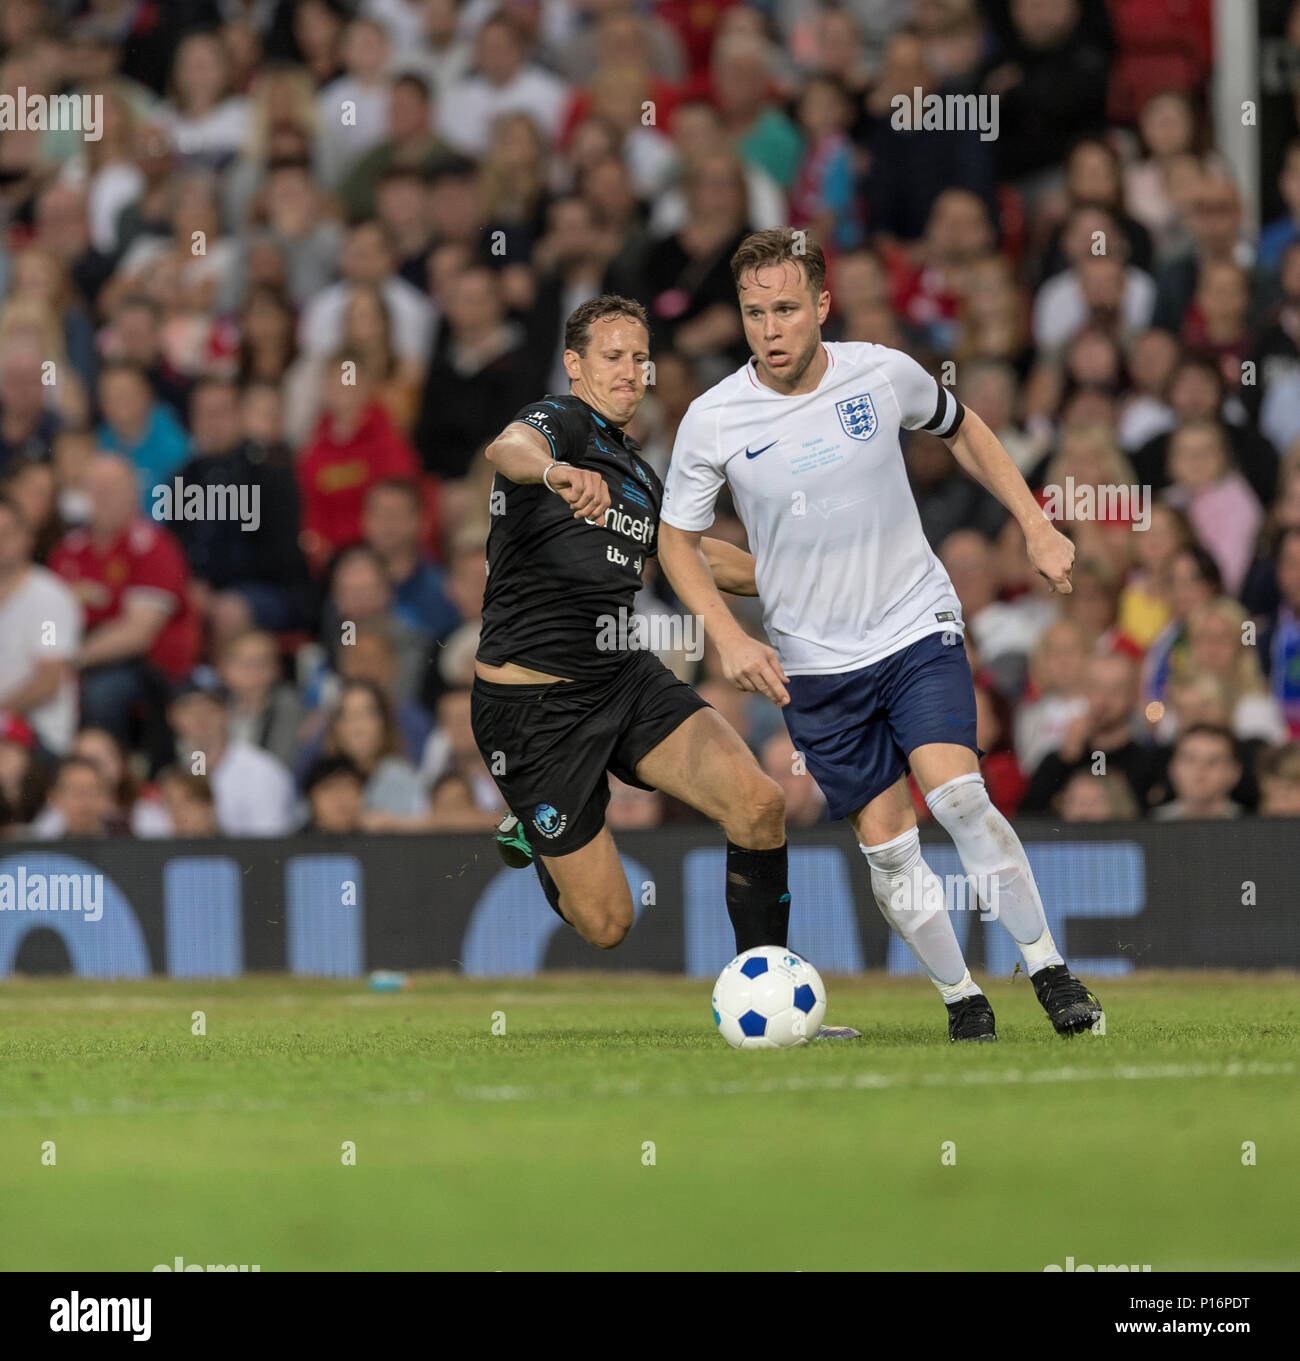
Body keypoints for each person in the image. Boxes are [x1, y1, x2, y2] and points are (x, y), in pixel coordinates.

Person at [658, 229, 1103, 1042]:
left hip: (913, 623)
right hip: (815, 662)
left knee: (961, 796)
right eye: (755, 312)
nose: (771, 327)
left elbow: (964, 427)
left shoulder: (882, 371)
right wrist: (727, 636)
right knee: (891, 850)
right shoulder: (712, 419)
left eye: (786, 308)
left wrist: (1036, 526)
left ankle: (1050, 970)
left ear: (822, 305)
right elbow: (674, 541)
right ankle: (962, 999)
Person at [472, 293, 857, 1038]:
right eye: (612, 356)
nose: (630, 370)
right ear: (576, 365)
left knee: (760, 804)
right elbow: (505, 448)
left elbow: (698, 556)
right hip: (534, 713)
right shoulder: (562, 424)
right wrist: (554, 475)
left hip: (621, 677)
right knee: (609, 923)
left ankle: (769, 1002)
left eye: (640, 357)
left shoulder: (642, 477)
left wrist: (797, 572)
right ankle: (533, 824)